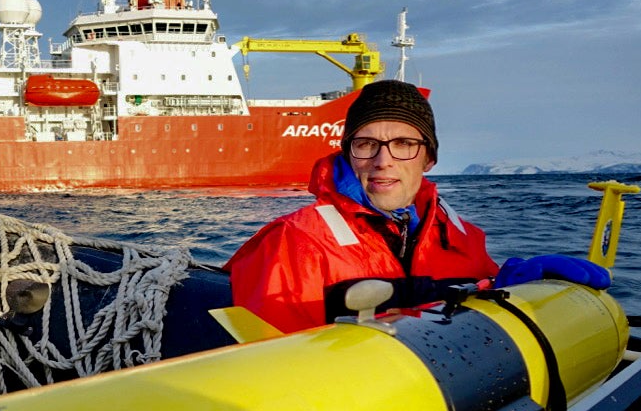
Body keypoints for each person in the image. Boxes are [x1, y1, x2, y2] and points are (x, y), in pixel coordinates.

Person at [225, 80, 609, 333]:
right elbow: (274, 368)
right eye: (366, 143)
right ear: (348, 153)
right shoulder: (294, 243)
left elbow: (479, 318)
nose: (383, 160)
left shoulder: (461, 236)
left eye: (404, 144)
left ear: (429, 159)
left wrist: (521, 293)